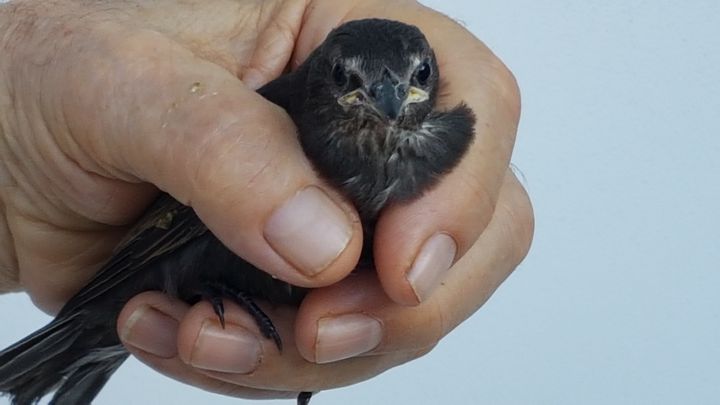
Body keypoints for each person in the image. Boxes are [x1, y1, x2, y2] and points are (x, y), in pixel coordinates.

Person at [0, 0, 533, 399]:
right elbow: (174, 221)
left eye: (415, 79)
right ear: (327, 78)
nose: (389, 101)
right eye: (352, 80)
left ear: (430, 79)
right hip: (160, 266)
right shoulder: (287, 121)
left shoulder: (444, 143)